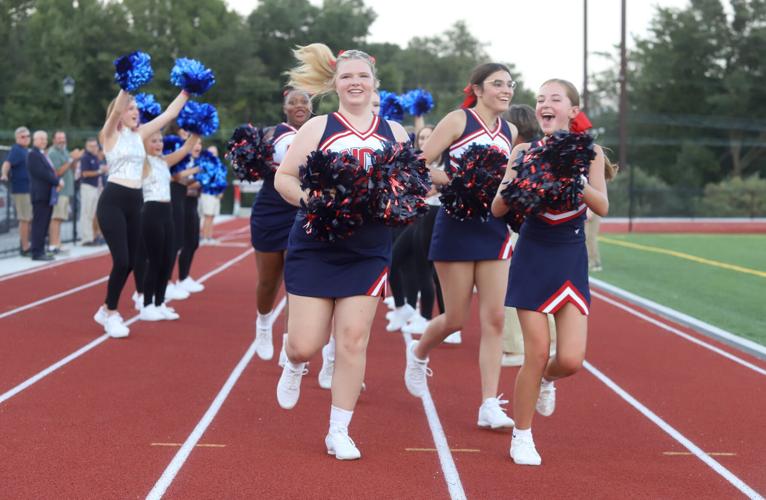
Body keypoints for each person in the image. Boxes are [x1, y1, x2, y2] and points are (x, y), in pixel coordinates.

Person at [274, 44, 410, 460]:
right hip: (316, 244)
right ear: (335, 83)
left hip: (369, 250)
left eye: (363, 77)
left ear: (375, 84)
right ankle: (292, 359)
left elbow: (410, 187)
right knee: (305, 343)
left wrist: (397, 202)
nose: (355, 82)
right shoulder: (318, 127)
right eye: (348, 76)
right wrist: (312, 202)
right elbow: (284, 177)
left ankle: (339, 430)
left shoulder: (396, 133)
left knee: (352, 340)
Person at [491, 78, 611, 466]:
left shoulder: (588, 153)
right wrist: (520, 183)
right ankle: (522, 436)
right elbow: (497, 209)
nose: (545, 104)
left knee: (571, 360)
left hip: (570, 258)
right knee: (537, 351)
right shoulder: (522, 151)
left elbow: (602, 206)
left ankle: (548, 380)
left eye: (555, 99)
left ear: (572, 111)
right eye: (540, 99)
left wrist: (571, 177)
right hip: (533, 255)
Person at [403, 63, 518, 433]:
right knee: (455, 319)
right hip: (455, 224)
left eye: (510, 84)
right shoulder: (458, 120)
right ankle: (418, 353)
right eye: (497, 83)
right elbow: (417, 165)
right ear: (478, 89)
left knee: (495, 318)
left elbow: (507, 178)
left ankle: (489, 403)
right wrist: (456, 181)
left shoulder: (510, 130)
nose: (506, 89)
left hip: (494, 227)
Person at [93, 86, 190, 339]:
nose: (135, 112)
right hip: (112, 201)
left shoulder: (140, 135)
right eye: (130, 108)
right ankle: (111, 312)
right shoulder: (109, 134)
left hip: (135, 203)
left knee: (132, 263)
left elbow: (169, 114)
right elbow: (116, 109)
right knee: (122, 260)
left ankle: (105, 308)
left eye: (136, 108)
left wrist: (187, 91)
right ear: (120, 113)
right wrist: (127, 85)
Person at [251, 88, 313, 361]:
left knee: (295, 282)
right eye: (293, 102)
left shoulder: (320, 131)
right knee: (268, 282)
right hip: (270, 210)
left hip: (301, 209)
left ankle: (290, 344)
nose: (299, 105)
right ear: (284, 107)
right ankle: (263, 324)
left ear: (311, 107)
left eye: (305, 101)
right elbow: (250, 168)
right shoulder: (270, 134)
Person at [500, 105, 556, 367]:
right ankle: (552, 342)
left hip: (522, 230)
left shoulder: (522, 154)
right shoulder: (547, 150)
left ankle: (513, 348)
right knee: (547, 285)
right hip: (548, 233)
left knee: (515, 289)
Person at [138, 131, 199, 321]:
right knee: (154, 260)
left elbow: (187, 147)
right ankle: (147, 304)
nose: (158, 144)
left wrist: (198, 129)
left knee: (167, 259)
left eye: (160, 141)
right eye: (153, 141)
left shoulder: (164, 161)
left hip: (167, 211)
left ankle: (159, 302)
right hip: (151, 211)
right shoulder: (141, 162)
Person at [26, 130, 63, 261]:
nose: (44, 141)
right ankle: (37, 252)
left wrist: (56, 181)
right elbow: (43, 173)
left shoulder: (41, 154)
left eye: (45, 139)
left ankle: (41, 249)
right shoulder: (33, 155)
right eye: (41, 139)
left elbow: (49, 172)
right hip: (40, 195)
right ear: (34, 140)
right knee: (39, 224)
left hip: (46, 195)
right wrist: (57, 181)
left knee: (44, 224)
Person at [175, 141, 204, 294]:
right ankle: (179, 279)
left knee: (193, 242)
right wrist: (198, 182)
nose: (198, 147)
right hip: (182, 205)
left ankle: (184, 277)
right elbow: (178, 183)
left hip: (192, 204)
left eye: (200, 143)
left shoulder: (197, 163)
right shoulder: (182, 163)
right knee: (183, 243)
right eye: (194, 144)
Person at [47, 131, 82, 254]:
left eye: (63, 137)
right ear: (53, 140)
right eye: (59, 138)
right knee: (56, 218)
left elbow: (71, 168)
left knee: (60, 218)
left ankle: (58, 242)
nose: (62, 140)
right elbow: (58, 172)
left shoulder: (65, 151)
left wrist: (75, 160)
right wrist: (71, 158)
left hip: (67, 190)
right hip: (59, 191)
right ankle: (53, 245)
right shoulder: (53, 153)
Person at [1, 127, 32, 255]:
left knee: (27, 219)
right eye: (22, 137)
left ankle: (26, 245)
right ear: (17, 138)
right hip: (21, 189)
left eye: (27, 136)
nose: (25, 139)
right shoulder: (16, 149)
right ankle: (24, 248)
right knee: (24, 219)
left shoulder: (26, 151)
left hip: (28, 189)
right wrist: (4, 174)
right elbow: (7, 163)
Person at [78, 138, 107, 246]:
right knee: (87, 213)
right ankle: (87, 238)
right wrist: (100, 171)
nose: (94, 148)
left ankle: (93, 236)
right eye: (91, 146)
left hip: (95, 187)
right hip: (88, 187)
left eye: (95, 146)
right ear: (87, 147)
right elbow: (85, 173)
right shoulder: (85, 157)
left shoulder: (95, 157)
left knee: (94, 213)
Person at [200, 145, 224, 245]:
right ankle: (205, 237)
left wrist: (221, 191)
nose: (213, 154)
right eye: (211, 152)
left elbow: (221, 179)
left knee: (212, 216)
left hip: (216, 194)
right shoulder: (205, 165)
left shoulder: (218, 165)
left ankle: (209, 237)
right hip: (208, 193)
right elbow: (205, 180)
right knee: (207, 216)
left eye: (214, 152)